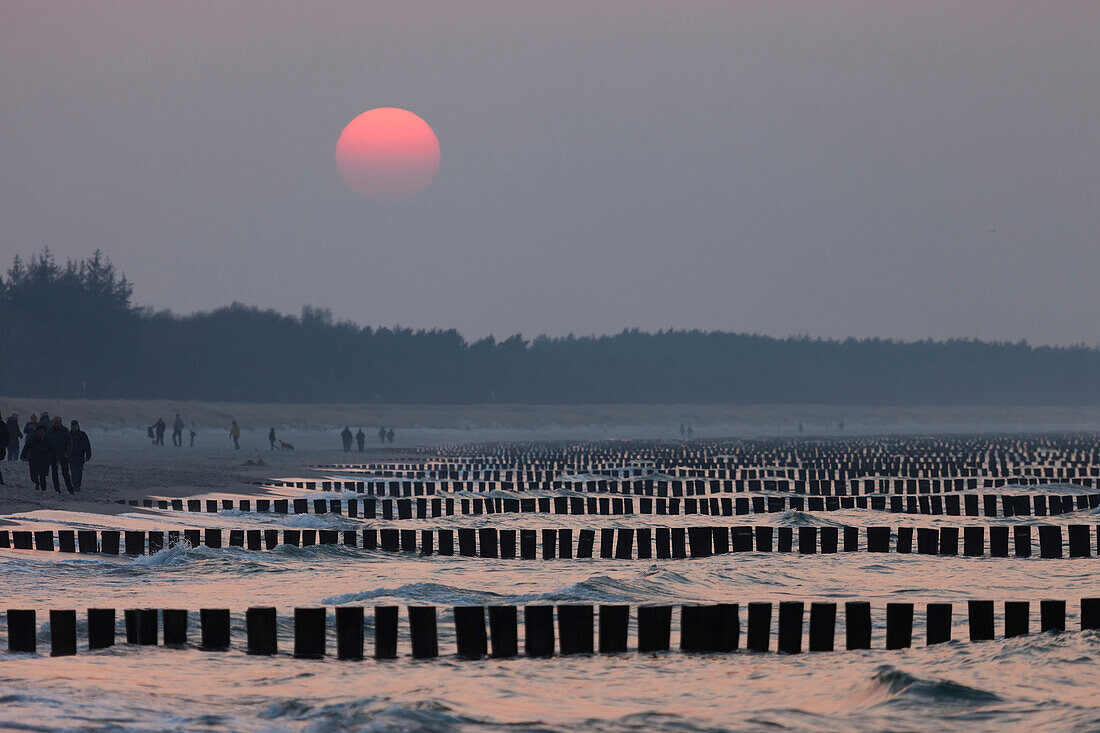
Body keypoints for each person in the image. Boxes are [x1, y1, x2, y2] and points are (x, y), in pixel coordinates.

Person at [21, 424, 54, 492]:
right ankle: (36, 483)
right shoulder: (32, 438)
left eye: (42, 432)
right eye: (39, 432)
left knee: (43, 476)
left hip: (44, 460)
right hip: (34, 459)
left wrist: (55, 459)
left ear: (45, 432)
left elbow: (53, 450)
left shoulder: (48, 440)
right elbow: (26, 447)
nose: (40, 433)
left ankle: (43, 490)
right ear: (36, 432)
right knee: (33, 476)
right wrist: (23, 456)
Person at [47, 415, 74, 494]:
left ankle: (70, 489)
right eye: (55, 422)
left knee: (65, 473)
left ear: (60, 422)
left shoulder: (65, 430)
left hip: (63, 455)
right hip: (53, 455)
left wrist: (67, 453)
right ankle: (57, 490)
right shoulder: (50, 431)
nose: (56, 424)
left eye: (57, 422)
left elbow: (70, 443)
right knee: (54, 473)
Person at [69, 420, 91, 491]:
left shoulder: (83, 435)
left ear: (78, 426)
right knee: (74, 472)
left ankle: (78, 484)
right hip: (72, 457)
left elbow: (87, 446)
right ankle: (75, 486)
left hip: (80, 457)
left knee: (79, 473)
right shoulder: (69, 435)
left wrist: (88, 455)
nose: (74, 427)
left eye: (75, 426)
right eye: (73, 426)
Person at [0, 413, 8, 485]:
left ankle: (1, 481)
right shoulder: (4, 425)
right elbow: (7, 439)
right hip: (2, 449)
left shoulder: (3, 426)